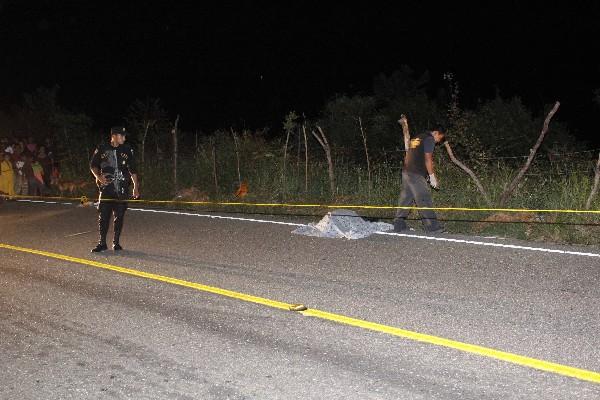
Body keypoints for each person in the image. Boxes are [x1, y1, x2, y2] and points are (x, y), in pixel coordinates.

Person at [89, 126, 139, 252]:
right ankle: (102, 243)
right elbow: (93, 165)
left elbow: (133, 169)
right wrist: (98, 177)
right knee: (103, 216)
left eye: (125, 136)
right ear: (114, 136)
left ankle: (116, 243)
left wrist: (136, 187)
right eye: (122, 135)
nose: (124, 138)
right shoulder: (102, 148)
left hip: (121, 189)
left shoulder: (127, 150)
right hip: (106, 188)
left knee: (119, 216)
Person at [393, 125, 446, 234]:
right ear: (436, 133)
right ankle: (432, 227)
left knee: (406, 198)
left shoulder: (417, 137)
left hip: (406, 171)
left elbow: (408, 155)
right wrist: (432, 176)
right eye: (439, 138)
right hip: (415, 173)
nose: (438, 141)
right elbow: (428, 159)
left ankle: (399, 225)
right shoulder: (429, 139)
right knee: (424, 198)